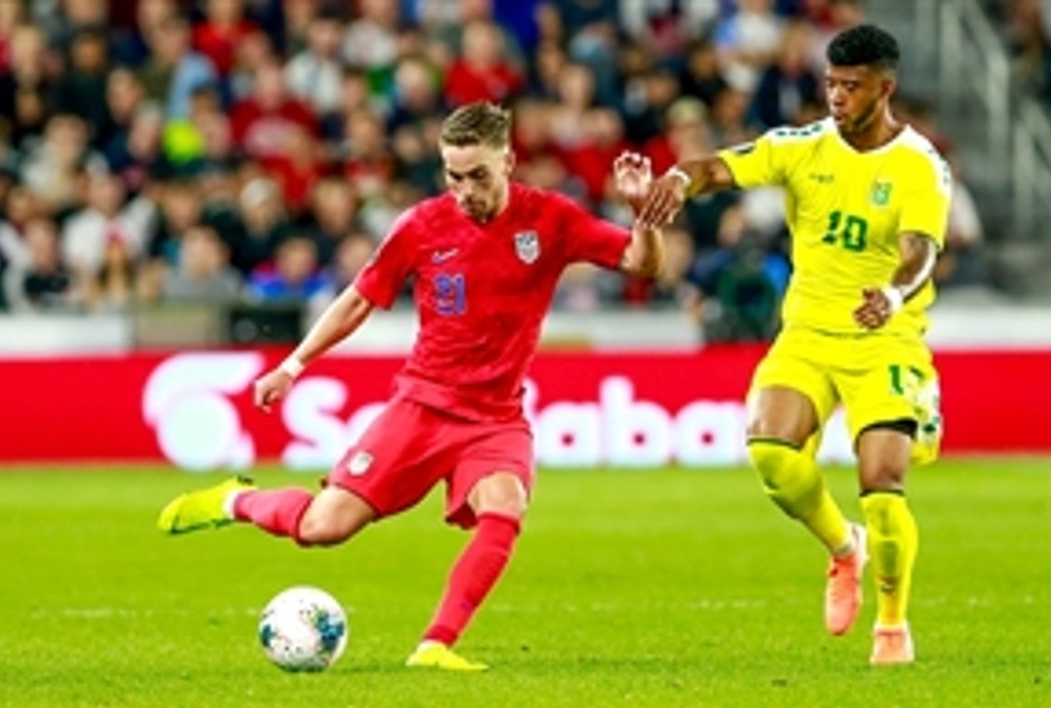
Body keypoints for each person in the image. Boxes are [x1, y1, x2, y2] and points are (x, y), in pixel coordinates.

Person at [156, 102, 664, 671]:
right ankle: (234, 499)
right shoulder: (422, 226)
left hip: (496, 416)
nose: (465, 190)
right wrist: (293, 366)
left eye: (479, 176)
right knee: (324, 527)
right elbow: (357, 301)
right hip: (423, 406)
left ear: (509, 162)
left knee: (505, 507)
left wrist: (644, 214)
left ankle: (436, 645)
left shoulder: (551, 219)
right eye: (454, 175)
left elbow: (641, 265)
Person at [638, 24, 951, 666]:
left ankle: (892, 626)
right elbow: (720, 167)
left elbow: (919, 252)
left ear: (884, 89)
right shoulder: (803, 146)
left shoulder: (919, 165)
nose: (836, 97)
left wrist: (890, 296)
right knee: (771, 456)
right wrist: (678, 179)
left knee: (882, 483)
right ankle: (844, 549)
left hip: (884, 337)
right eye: (831, 84)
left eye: (851, 86)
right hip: (807, 334)